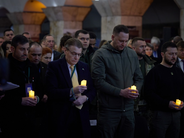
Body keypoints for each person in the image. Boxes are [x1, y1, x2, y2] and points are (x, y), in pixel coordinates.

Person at [91, 24, 143, 138]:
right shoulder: (100, 54)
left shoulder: (131, 53)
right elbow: (98, 81)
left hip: (128, 108)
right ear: (113, 37)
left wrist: (135, 90)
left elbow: (139, 77)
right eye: (120, 41)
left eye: (126, 41)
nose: (123, 44)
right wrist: (120, 92)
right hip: (109, 109)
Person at [46, 38, 96, 138]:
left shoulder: (84, 66)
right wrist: (72, 91)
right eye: (73, 53)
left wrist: (85, 98)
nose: (76, 57)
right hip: (62, 114)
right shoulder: (54, 66)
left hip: (81, 114)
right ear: (65, 50)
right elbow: (51, 92)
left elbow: (92, 89)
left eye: (79, 54)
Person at [0, 35, 41, 138]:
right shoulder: (4, 67)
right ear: (12, 49)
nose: (26, 53)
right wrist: (19, 100)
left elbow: (41, 88)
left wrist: (37, 98)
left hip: (31, 118)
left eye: (27, 49)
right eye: (22, 49)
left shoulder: (33, 67)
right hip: (11, 118)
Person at [144, 41, 184, 138]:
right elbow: (149, 94)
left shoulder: (178, 71)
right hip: (160, 115)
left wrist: (183, 101)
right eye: (170, 54)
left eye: (175, 54)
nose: (174, 57)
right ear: (162, 54)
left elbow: (182, 90)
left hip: (176, 114)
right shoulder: (155, 72)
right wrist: (167, 103)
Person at [131, 37, 155, 138]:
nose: (144, 49)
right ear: (133, 48)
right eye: (141, 47)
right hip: (132, 103)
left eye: (145, 46)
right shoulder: (129, 62)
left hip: (147, 103)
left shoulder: (150, 63)